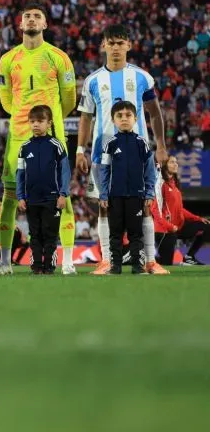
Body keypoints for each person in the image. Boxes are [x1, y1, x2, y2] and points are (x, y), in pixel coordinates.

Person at [76, 24, 170, 275]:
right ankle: (107, 259)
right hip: (102, 155)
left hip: (139, 154)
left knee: (147, 204)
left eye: (120, 43)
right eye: (111, 43)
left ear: (128, 45)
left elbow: (155, 113)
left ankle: (150, 261)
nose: (116, 48)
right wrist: (79, 150)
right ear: (103, 45)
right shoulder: (93, 80)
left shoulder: (142, 77)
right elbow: (85, 117)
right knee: (104, 206)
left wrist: (160, 145)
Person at [0, 4, 77, 275]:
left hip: (52, 137)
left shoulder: (59, 57)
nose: (31, 20)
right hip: (19, 137)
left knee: (62, 196)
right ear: (20, 24)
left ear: (45, 24)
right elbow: (6, 101)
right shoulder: (7, 59)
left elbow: (69, 99)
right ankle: (5, 262)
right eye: (27, 16)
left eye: (37, 16)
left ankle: (67, 262)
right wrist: (23, 119)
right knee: (10, 197)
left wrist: (52, 119)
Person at [97, 101, 157, 274]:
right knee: (115, 233)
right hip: (115, 196)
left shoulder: (142, 143)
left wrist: (149, 192)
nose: (124, 119)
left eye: (128, 115)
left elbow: (150, 171)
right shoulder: (110, 144)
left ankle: (138, 266)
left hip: (136, 195)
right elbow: (104, 171)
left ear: (136, 119)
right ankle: (115, 267)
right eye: (119, 116)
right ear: (113, 120)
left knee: (135, 233)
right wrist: (103, 195)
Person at [15, 105, 71, 275]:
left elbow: (65, 171)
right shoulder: (24, 148)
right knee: (35, 234)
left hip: (52, 199)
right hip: (32, 199)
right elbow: (20, 175)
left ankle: (49, 266)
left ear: (49, 123)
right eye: (32, 121)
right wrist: (20, 197)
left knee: (50, 234)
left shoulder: (56, 145)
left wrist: (63, 194)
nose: (35, 125)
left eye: (40, 121)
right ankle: (36, 265)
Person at [152, 156, 210, 265]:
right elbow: (155, 211)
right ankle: (147, 260)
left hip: (178, 227)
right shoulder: (160, 184)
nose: (175, 164)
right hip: (165, 230)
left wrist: (198, 218)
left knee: (205, 225)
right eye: (172, 162)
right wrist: (170, 227)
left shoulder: (175, 184)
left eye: (176, 162)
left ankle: (189, 257)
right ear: (165, 166)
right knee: (166, 264)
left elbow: (180, 209)